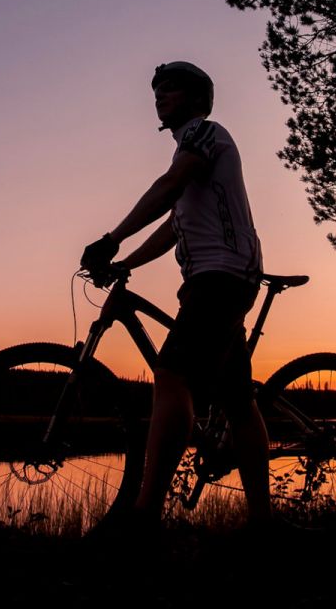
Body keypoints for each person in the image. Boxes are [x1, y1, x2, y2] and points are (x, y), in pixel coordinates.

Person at [80, 61, 271, 528]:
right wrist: (126, 263)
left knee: (172, 376)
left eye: (171, 89)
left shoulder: (204, 135)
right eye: (157, 91)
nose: (160, 96)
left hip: (222, 276)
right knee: (237, 400)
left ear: (197, 98)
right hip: (216, 279)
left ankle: (144, 518)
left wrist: (113, 237)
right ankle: (265, 524)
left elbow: (167, 190)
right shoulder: (188, 158)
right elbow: (173, 225)